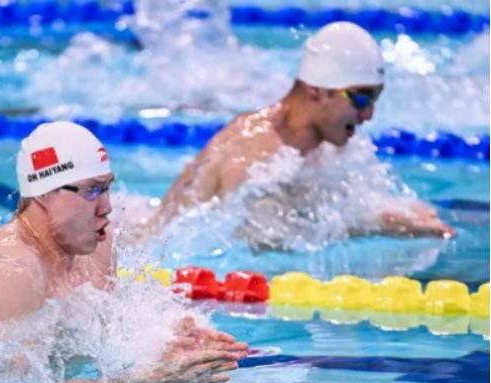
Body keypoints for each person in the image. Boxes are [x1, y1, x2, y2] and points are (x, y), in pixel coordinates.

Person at [0, 121, 248, 383]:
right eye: (91, 191)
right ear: (44, 193)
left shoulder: (98, 245)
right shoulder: (11, 274)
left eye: (106, 188)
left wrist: (170, 338)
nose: (106, 207)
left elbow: (101, 334)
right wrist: (145, 382)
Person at [146, 21, 456, 242]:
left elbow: (333, 203)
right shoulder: (254, 152)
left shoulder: (322, 140)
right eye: (361, 98)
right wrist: (380, 224)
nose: (368, 114)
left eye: (375, 99)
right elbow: (261, 240)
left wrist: (401, 212)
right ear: (317, 91)